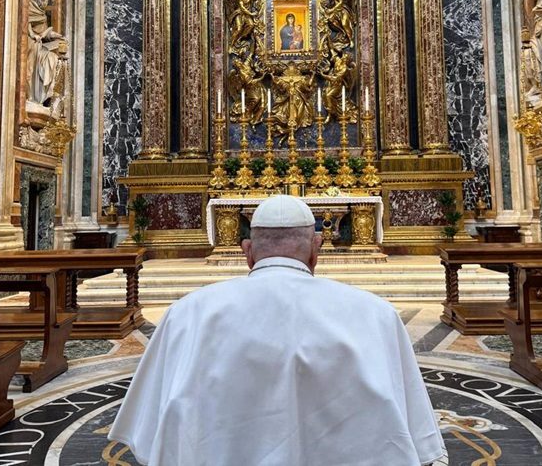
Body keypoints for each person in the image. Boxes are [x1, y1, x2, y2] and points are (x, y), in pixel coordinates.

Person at [109, 195, 446, 465]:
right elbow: (416, 438)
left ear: (247, 252)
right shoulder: (377, 316)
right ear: (316, 249)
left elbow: (148, 432)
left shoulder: (187, 315)